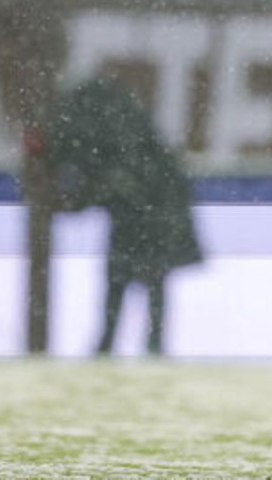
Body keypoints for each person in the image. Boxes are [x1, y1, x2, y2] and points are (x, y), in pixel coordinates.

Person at [44, 78, 202, 356]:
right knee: (133, 290)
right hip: (142, 226)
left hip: (147, 226)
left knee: (132, 289)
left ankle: (128, 346)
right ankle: (131, 346)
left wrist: (74, 203)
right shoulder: (128, 137)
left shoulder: (123, 142)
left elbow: (114, 183)